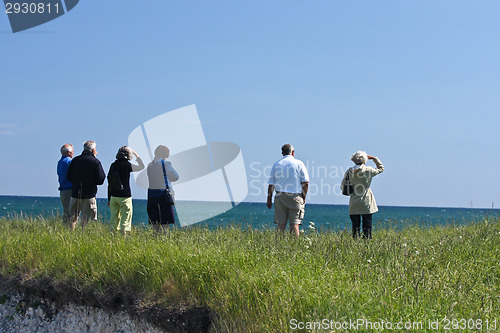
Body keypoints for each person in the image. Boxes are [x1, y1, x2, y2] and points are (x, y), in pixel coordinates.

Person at [267, 144, 310, 237]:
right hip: (295, 196)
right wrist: (304, 197)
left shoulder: (277, 164)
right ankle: (294, 246)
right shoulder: (299, 163)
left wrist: (269, 199)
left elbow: (271, 184)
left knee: (280, 224)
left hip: (280, 196)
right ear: (293, 152)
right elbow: (305, 182)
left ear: (282, 153)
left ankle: (278, 246)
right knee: (294, 224)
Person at [341, 151, 384, 239]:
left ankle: (355, 245)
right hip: (366, 200)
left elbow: (342, 185)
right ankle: (366, 245)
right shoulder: (368, 170)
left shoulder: (349, 171)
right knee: (367, 227)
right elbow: (381, 169)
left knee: (355, 228)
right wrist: (375, 159)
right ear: (364, 160)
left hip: (354, 201)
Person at [66, 140, 106, 230]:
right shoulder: (95, 162)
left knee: (73, 216)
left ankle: (71, 233)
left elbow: (68, 176)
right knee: (86, 217)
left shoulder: (75, 160)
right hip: (89, 194)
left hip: (76, 192)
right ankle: (83, 234)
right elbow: (101, 179)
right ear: (92, 150)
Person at [107, 146, 144, 237]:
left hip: (113, 195)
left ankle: (113, 236)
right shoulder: (127, 165)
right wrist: (137, 156)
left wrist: (109, 197)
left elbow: (110, 182)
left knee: (114, 218)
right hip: (125, 195)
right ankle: (123, 238)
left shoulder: (113, 165)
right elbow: (141, 167)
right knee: (126, 218)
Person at [147, 145, 179, 234]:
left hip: (151, 196)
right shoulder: (165, 164)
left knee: (155, 223)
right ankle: (163, 242)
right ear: (166, 155)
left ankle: (155, 242)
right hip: (163, 196)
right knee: (165, 223)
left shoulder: (150, 165)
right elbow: (176, 177)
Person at [57, 143, 74, 225]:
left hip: (63, 189)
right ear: (69, 153)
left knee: (66, 211)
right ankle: (69, 230)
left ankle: (66, 228)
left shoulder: (60, 162)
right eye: (72, 151)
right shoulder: (69, 162)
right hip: (69, 189)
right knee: (71, 212)